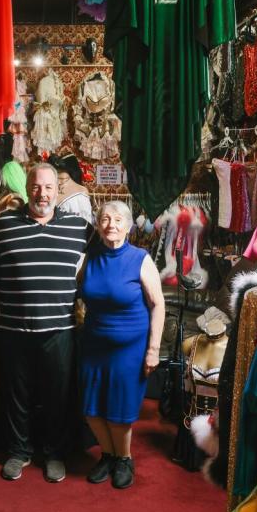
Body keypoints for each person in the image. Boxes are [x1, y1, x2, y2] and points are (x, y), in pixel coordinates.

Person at [0, 163, 93, 483]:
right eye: (36, 186)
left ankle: (54, 453)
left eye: (48, 187)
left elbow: (106, 252)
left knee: (57, 395)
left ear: (57, 191)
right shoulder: (3, 223)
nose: (42, 193)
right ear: (27, 188)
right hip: (12, 327)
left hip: (59, 329)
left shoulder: (78, 227)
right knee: (15, 394)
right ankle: (19, 452)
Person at [79, 201, 164, 488]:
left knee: (119, 411)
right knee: (92, 410)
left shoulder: (140, 258)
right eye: (105, 219)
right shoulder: (88, 258)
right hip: (93, 344)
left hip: (129, 349)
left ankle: (124, 458)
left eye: (117, 220)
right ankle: (108, 455)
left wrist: (153, 350)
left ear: (128, 226)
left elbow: (158, 304)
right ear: (98, 224)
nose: (110, 225)